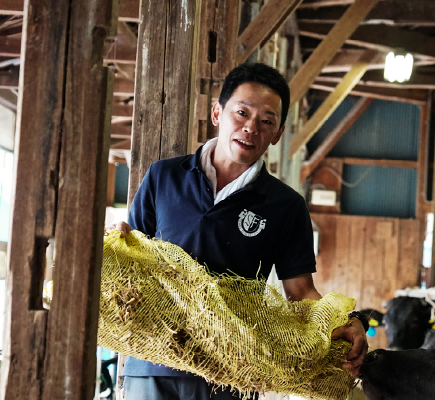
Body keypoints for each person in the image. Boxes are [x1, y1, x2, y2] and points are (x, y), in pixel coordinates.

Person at [109, 63, 368, 400]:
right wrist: (116, 241)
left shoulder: (285, 205)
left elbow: (301, 292)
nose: (250, 128)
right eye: (241, 113)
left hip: (232, 374)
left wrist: (347, 321)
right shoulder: (164, 176)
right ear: (218, 113)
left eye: (266, 121)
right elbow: (134, 257)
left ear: (277, 134)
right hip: (154, 365)